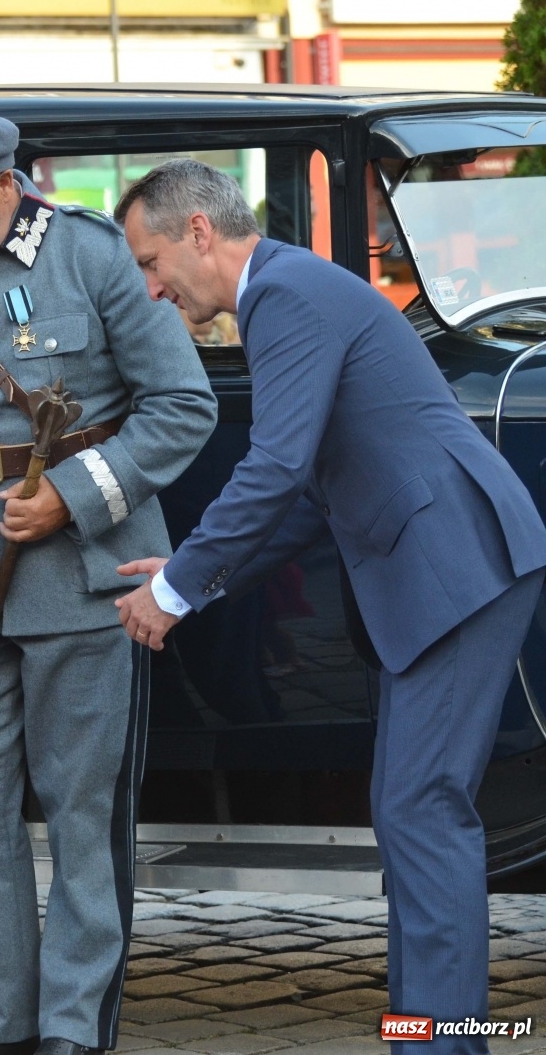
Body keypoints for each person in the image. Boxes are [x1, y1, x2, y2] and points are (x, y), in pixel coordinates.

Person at [112, 158, 546, 1055]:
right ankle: (425, 1035)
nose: (153, 290)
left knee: (422, 810)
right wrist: (194, 570)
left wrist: (173, 590)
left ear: (199, 231)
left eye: (152, 263)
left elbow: (274, 468)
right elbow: (306, 487)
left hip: (454, 566)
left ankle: (439, 1042)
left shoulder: (286, 297)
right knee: (412, 810)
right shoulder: (292, 290)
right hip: (444, 564)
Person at [0, 112, 217, 1055]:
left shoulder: (95, 257)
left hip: (81, 581)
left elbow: (183, 406)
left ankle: (70, 1028)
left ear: (6, 184)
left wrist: (69, 497)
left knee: (80, 809)